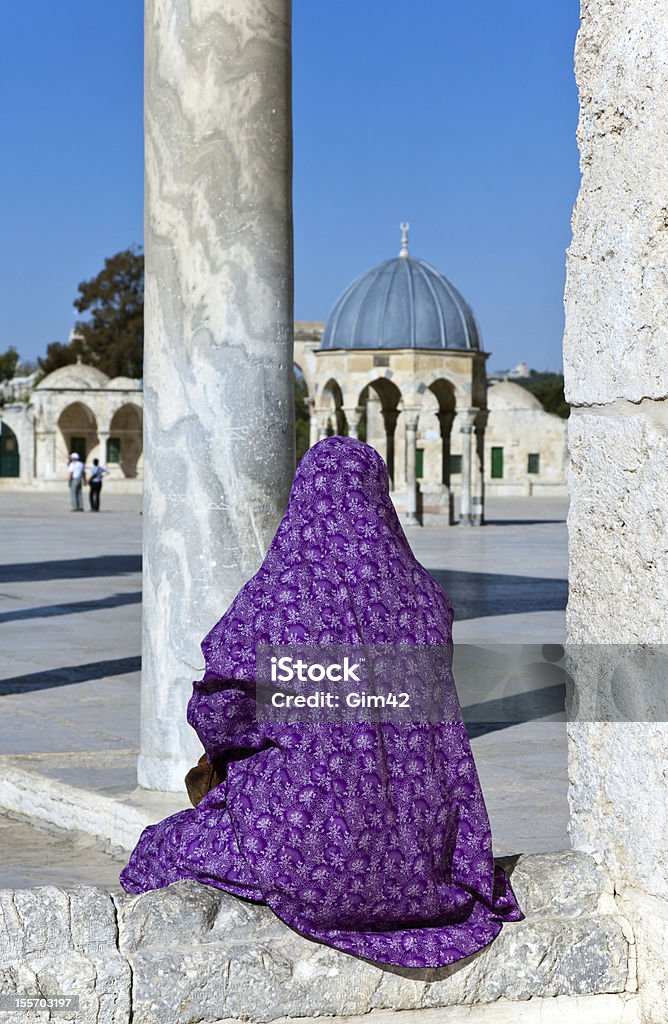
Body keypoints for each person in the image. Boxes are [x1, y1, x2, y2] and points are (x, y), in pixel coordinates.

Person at [120, 437, 522, 967]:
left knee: (153, 855)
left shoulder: (279, 597)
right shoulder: (426, 600)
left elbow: (223, 709)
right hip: (427, 861)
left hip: (309, 854)